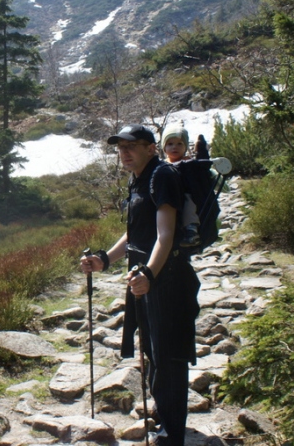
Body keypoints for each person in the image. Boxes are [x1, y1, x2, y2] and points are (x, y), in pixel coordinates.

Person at [81, 124, 201, 446]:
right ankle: (165, 417)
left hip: (169, 279)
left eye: (131, 146)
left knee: (169, 355)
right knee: (152, 349)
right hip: (146, 278)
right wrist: (104, 259)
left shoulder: (162, 176)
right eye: (120, 148)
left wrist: (148, 275)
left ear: (151, 148)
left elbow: (165, 235)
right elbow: (136, 235)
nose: (125, 153)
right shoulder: (138, 180)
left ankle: (172, 434)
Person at [161, 124, 200, 248]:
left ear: (185, 147)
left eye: (180, 144)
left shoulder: (189, 163)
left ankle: (191, 230)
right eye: (170, 144)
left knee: (188, 203)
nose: (175, 147)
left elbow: (206, 174)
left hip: (185, 193)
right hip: (168, 195)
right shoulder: (161, 166)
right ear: (164, 147)